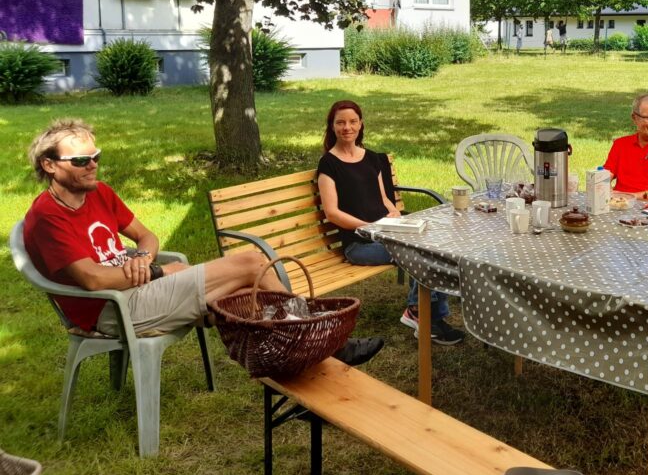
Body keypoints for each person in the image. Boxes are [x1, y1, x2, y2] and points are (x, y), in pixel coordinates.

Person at [22, 118, 385, 366]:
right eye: (82, 159)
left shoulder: (99, 193)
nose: (92, 165)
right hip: (112, 309)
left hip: (138, 286)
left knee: (238, 295)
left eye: (96, 156)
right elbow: (94, 280)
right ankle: (319, 342)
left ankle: (302, 351)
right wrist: (160, 270)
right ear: (50, 166)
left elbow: (145, 235)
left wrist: (145, 257)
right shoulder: (47, 217)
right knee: (250, 264)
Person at [316, 100, 465, 345]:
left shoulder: (372, 158)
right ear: (332, 127)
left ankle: (423, 313)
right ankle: (425, 317)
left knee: (435, 243)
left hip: (387, 230)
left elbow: (383, 197)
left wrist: (393, 212)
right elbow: (332, 213)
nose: (347, 127)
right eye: (340, 122)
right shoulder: (329, 164)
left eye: (352, 121)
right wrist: (367, 226)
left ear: (361, 124)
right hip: (359, 243)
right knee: (419, 253)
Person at [603, 94, 648, 204]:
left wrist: (627, 197)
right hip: (621, 208)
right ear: (634, 118)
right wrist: (606, 189)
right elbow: (604, 178)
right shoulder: (620, 144)